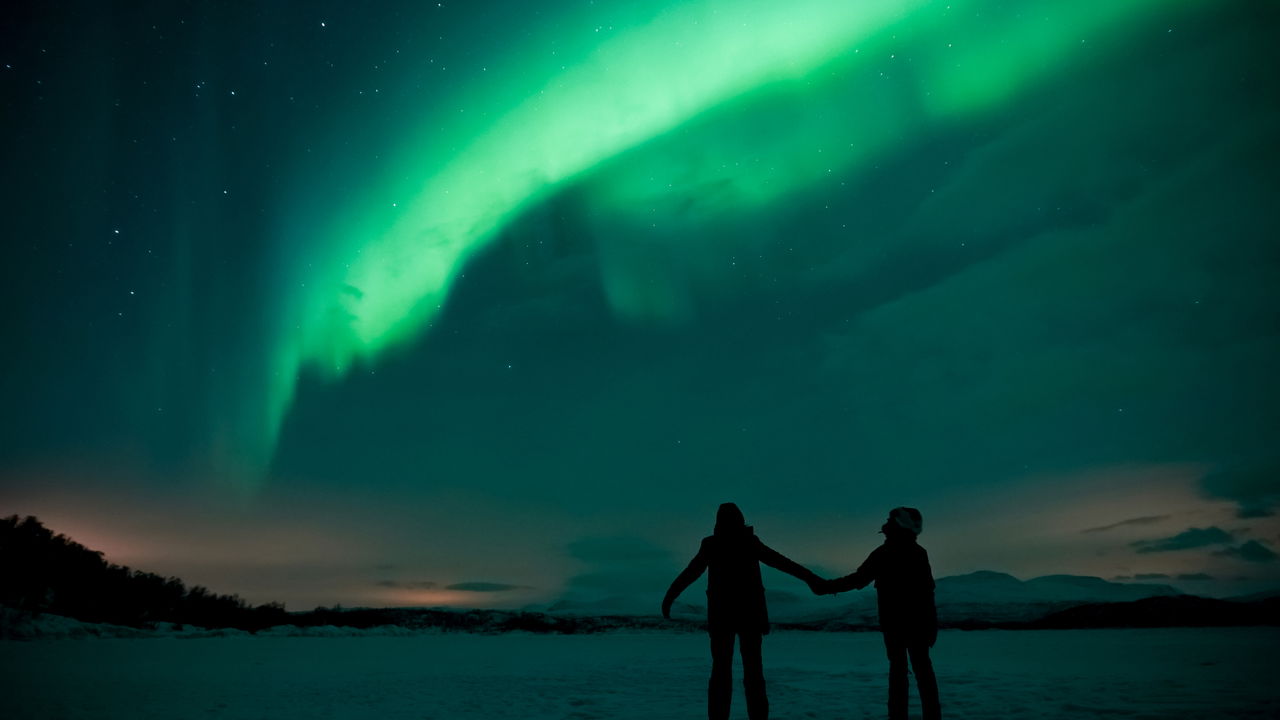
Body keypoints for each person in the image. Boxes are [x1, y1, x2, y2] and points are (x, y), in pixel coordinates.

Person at [663, 502, 824, 720]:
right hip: (745, 616)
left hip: (728, 616)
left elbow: (691, 572)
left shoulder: (719, 544)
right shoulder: (742, 542)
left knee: (727, 672)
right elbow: (782, 562)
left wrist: (670, 596)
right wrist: (811, 579)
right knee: (749, 672)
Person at [817, 506, 941, 720]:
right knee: (919, 672)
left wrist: (828, 587)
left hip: (897, 624)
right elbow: (927, 592)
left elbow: (859, 579)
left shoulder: (885, 553)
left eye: (891, 521)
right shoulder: (915, 553)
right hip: (912, 624)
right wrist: (931, 625)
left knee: (903, 672)